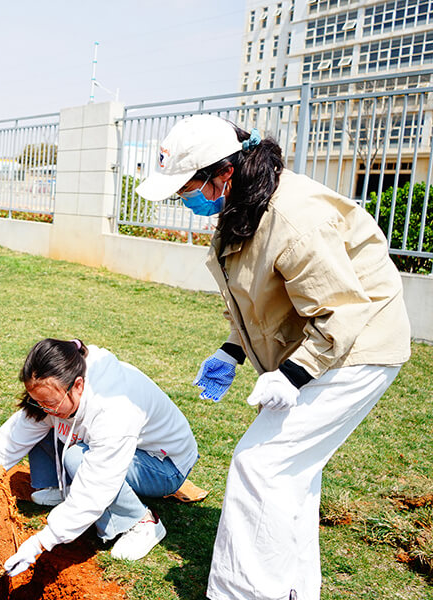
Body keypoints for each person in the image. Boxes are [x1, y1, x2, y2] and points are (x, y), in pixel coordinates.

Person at [136, 114, 411, 600]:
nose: (185, 200)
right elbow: (257, 298)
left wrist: (291, 375)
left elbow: (341, 311)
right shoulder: (243, 206)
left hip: (357, 346)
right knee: (288, 473)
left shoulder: (293, 216)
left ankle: (242, 593)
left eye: (186, 188)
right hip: (328, 340)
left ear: (222, 172)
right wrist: (233, 350)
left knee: (260, 464)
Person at [0, 338, 199, 576]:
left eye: (49, 402)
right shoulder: (59, 386)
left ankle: (140, 522)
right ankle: (62, 490)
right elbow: (13, 438)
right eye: (38, 401)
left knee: (77, 459)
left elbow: (99, 482)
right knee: (43, 424)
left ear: (78, 385)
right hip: (112, 447)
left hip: (165, 464)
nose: (45, 409)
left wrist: (40, 542)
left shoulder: (114, 409)